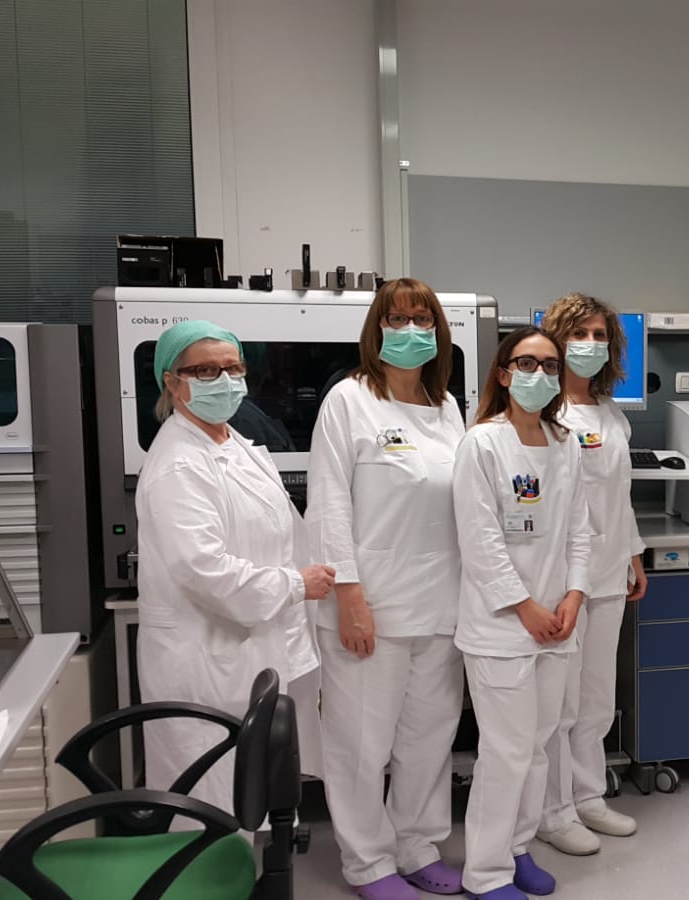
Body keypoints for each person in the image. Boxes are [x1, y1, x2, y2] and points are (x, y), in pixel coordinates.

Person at [135, 320, 333, 822]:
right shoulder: (179, 464)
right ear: (171, 382)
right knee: (209, 802)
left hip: (249, 649)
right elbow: (203, 568)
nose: (223, 381)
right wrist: (295, 584)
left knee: (248, 793)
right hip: (205, 659)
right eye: (204, 371)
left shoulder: (233, 443)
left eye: (232, 368)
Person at [308, 278, 467, 900]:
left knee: (429, 737)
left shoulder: (446, 406)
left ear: (438, 332)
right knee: (360, 743)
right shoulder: (349, 400)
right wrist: (349, 597)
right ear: (376, 330)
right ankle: (368, 862)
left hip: (441, 601)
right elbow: (328, 506)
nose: (410, 331)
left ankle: (417, 845)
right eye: (396, 320)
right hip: (369, 603)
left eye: (422, 320)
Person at [454, 326, 592, 900]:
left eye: (551, 365)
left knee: (538, 747)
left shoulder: (565, 442)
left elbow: (580, 529)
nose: (540, 374)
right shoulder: (482, 443)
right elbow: (480, 540)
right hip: (501, 625)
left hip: (556, 621)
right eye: (527, 363)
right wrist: (525, 606)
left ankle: (517, 847)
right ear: (504, 373)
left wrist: (574, 595)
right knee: (506, 751)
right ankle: (485, 872)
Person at [535, 294, 647, 856]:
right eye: (579, 334)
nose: (590, 344)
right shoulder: (543, 413)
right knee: (560, 702)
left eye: (600, 335)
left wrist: (633, 554)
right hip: (561, 579)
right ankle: (551, 812)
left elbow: (618, 496)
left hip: (608, 573)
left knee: (598, 696)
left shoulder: (610, 413)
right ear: (556, 340)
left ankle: (588, 796)